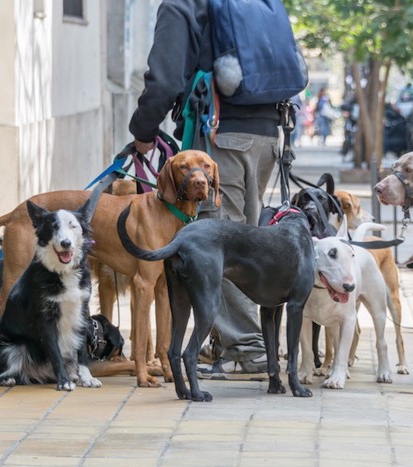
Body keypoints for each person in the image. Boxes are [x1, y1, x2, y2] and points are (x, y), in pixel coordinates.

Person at [129, 0, 284, 377]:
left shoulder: (182, 5)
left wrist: (143, 131)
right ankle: (236, 341)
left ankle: (248, 347)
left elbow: (164, 79)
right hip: (268, 134)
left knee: (216, 243)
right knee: (246, 241)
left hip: (220, 136)